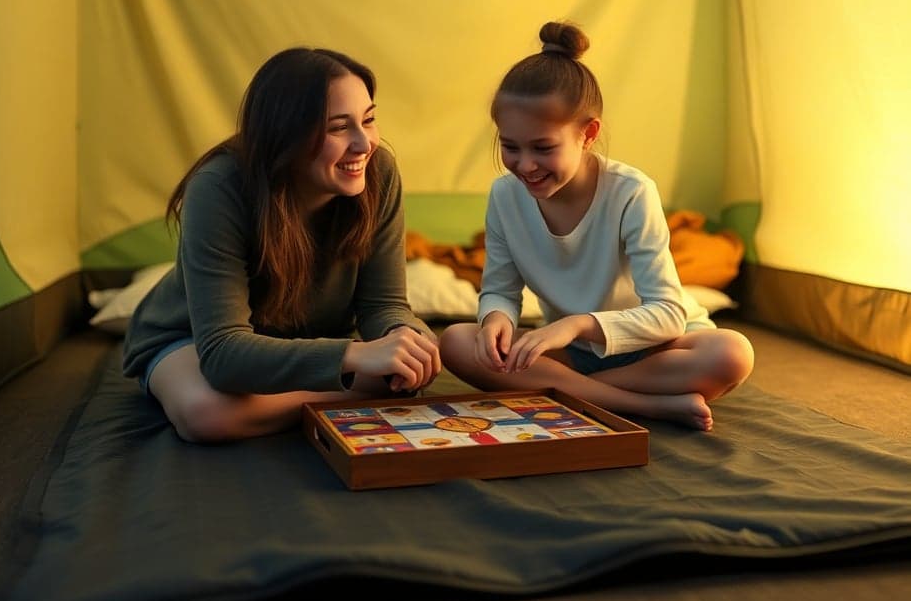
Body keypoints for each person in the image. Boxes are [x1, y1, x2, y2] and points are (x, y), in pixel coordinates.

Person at [439, 22, 753, 431]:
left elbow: (669, 314)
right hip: (576, 352)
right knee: (457, 343)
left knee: (732, 353)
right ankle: (644, 405)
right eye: (510, 147)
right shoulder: (504, 196)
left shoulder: (631, 192)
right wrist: (495, 319)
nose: (524, 165)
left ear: (588, 134)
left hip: (656, 347)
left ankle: (566, 393)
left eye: (543, 148)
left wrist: (576, 324)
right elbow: (499, 288)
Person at [122, 47, 441, 442]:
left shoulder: (380, 173)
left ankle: (296, 397)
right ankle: (342, 393)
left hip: (309, 342)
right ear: (287, 134)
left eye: (369, 120)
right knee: (207, 414)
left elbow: (384, 305)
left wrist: (404, 337)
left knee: (413, 357)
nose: (365, 144)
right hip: (195, 338)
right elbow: (223, 353)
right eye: (339, 127)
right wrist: (353, 359)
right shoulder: (220, 187)